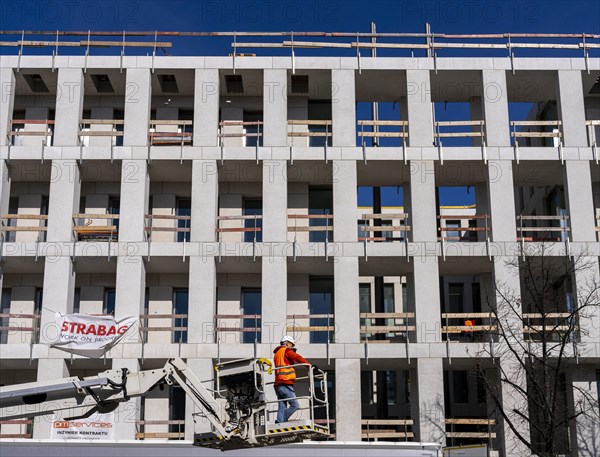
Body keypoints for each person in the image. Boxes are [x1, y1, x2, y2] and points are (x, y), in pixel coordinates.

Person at [273, 335, 314, 423]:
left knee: (282, 405)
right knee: (295, 405)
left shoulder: (277, 353)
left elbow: (286, 362)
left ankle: (280, 421)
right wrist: (309, 365)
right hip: (285, 382)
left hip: (278, 384)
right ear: (287, 343)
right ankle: (282, 420)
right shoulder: (286, 350)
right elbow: (297, 358)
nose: (292, 347)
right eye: (292, 345)